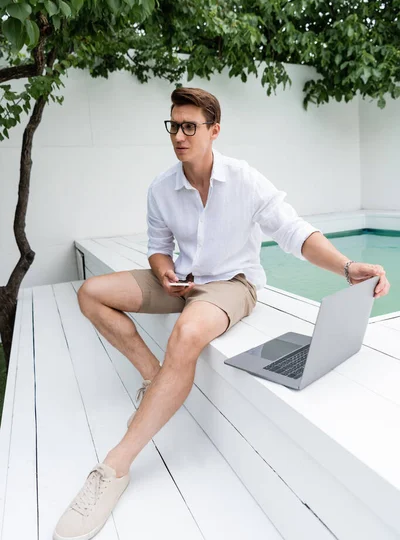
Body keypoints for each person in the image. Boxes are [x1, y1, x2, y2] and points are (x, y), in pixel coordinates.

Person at [53, 87, 390, 540]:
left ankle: (114, 467)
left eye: (190, 126)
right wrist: (166, 272)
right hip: (184, 280)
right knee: (92, 292)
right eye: (174, 125)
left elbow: (294, 232)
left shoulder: (244, 179)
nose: (179, 135)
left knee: (188, 334)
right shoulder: (161, 187)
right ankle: (157, 380)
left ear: (214, 130)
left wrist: (348, 267)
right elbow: (157, 248)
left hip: (232, 284)